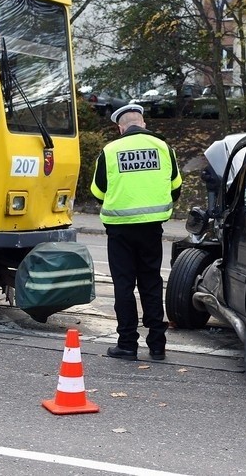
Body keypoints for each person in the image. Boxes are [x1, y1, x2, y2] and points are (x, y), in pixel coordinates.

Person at [90, 102, 182, 361]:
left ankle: (128, 344)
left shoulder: (110, 150)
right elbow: (176, 187)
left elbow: (97, 191)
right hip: (152, 228)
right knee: (151, 283)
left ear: (121, 128)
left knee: (124, 285)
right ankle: (157, 346)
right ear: (143, 124)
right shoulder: (163, 147)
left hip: (120, 230)